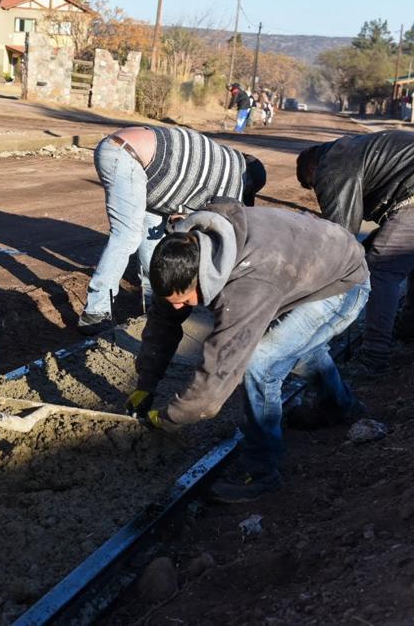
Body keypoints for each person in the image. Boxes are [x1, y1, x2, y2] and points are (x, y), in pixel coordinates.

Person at [125, 200, 370, 501]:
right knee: (293, 347)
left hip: (344, 285)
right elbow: (164, 319)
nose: (178, 307)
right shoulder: (190, 250)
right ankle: (340, 406)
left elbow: (219, 374)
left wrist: (172, 418)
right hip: (309, 265)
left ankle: (263, 472)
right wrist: (146, 383)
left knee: (261, 363)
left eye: (183, 300)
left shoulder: (246, 287)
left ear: (202, 279)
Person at [296, 130, 414, 374]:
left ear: (312, 170)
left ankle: (373, 357)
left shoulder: (332, 164)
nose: (319, 190)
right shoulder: (355, 150)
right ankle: (408, 332)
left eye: (313, 185)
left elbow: (341, 236)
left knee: (382, 270)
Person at [77, 125, 266, 335]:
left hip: (138, 162)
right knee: (127, 236)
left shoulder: (223, 160)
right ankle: (95, 311)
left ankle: (153, 302)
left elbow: (187, 188)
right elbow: (219, 232)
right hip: (126, 156)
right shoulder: (233, 179)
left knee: (152, 241)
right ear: (247, 185)